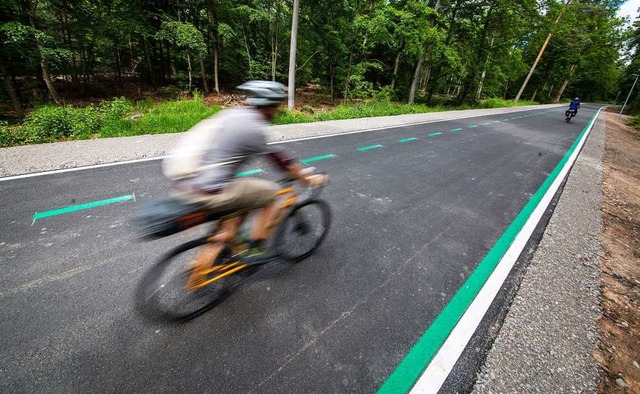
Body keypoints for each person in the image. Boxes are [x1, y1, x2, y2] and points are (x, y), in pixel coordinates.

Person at [165, 80, 326, 258]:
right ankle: (255, 248)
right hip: (211, 190)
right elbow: (281, 161)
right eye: (277, 106)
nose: (277, 110)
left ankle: (218, 251)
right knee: (272, 193)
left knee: (245, 196)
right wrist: (309, 179)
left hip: (187, 184)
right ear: (269, 106)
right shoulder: (254, 128)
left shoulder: (233, 114)